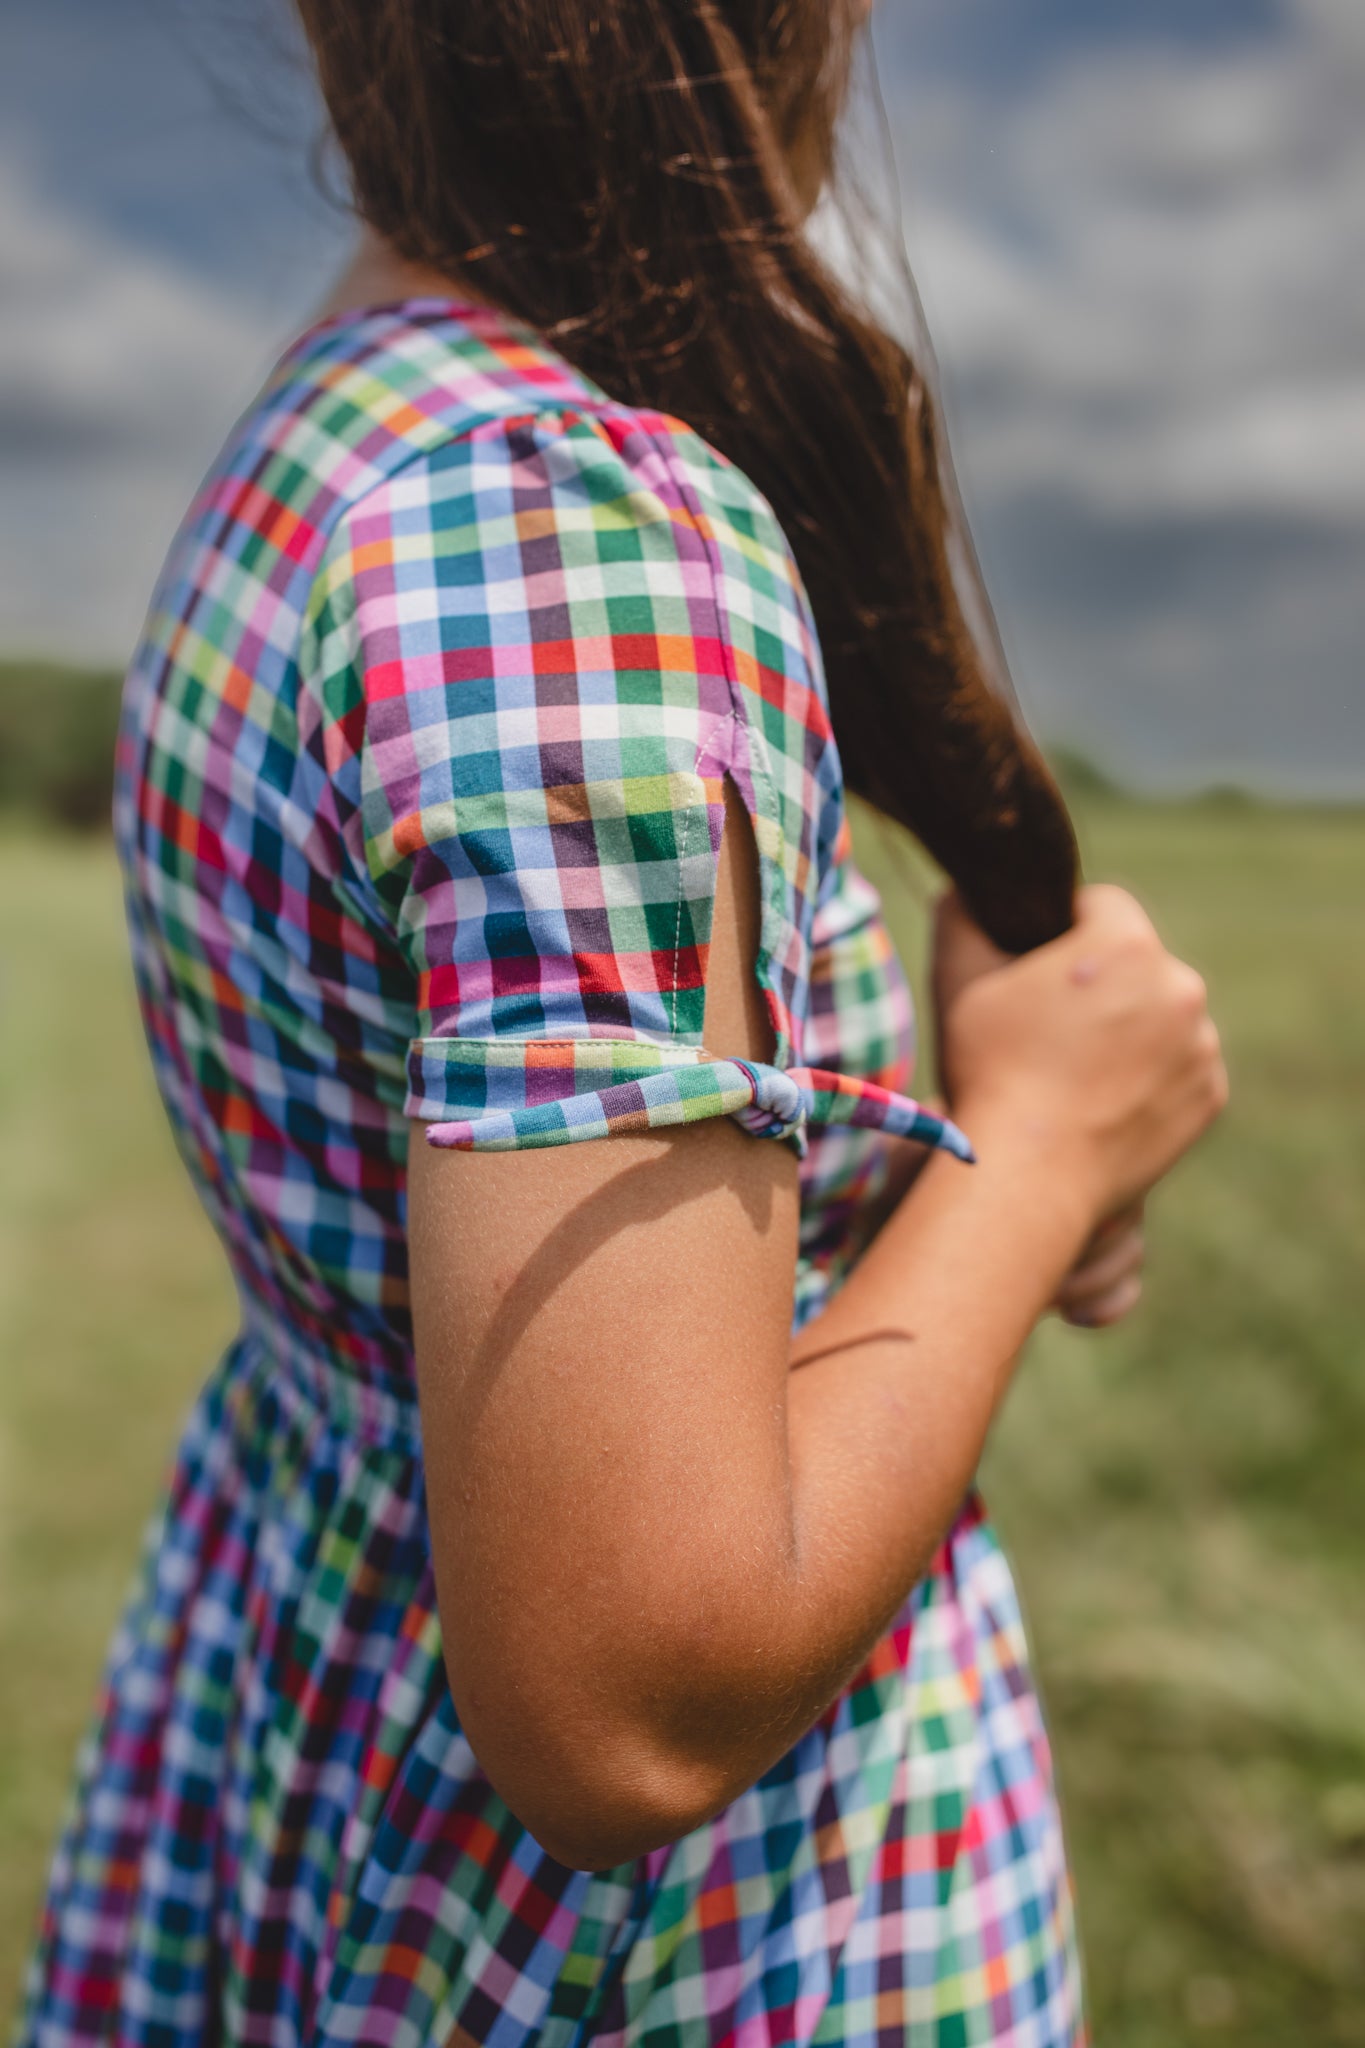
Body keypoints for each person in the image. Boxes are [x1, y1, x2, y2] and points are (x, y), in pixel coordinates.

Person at [17, 3, 1226, 2043]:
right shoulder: (562, 539)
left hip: (331, 1759)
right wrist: (1041, 1146)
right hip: (659, 1955)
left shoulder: (336, 423)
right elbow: (629, 1692)